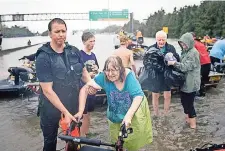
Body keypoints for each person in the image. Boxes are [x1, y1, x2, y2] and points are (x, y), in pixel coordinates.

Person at [35, 18, 93, 151]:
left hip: (72, 105)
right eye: (57, 31)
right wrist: (64, 112)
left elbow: (84, 73)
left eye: (63, 31)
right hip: (50, 108)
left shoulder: (74, 51)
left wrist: (92, 85)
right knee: (50, 143)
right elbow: (47, 90)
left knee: (74, 142)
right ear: (50, 33)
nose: (61, 34)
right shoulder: (43, 57)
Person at [75, 56, 153, 151]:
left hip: (133, 109)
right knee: (118, 142)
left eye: (114, 70)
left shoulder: (129, 77)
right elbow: (84, 89)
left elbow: (138, 96)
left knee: (134, 139)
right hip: (115, 110)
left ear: (121, 69)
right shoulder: (104, 76)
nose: (110, 74)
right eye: (107, 70)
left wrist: (128, 116)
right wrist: (80, 111)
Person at [168, 32, 201, 129]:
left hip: (191, 83)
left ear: (190, 42)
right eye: (181, 44)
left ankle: (193, 127)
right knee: (183, 102)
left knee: (189, 105)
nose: (183, 46)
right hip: (184, 82)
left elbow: (185, 67)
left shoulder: (194, 53)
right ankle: (187, 121)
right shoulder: (184, 52)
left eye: (184, 44)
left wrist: (174, 63)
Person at [144, 30, 180, 116]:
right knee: (155, 95)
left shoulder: (171, 48)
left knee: (167, 95)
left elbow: (177, 59)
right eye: (159, 40)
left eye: (163, 40)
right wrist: (150, 70)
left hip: (167, 74)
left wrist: (173, 60)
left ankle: (165, 114)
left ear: (166, 39)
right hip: (155, 75)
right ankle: (156, 114)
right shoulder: (151, 48)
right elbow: (146, 61)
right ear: (156, 39)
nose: (161, 42)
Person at [79, 31, 99, 136]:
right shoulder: (79, 55)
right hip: (83, 89)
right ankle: (81, 137)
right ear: (84, 41)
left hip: (92, 89)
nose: (93, 43)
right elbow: (77, 74)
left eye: (94, 41)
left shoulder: (93, 55)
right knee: (83, 114)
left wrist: (96, 72)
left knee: (89, 114)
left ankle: (86, 134)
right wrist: (89, 74)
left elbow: (97, 69)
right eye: (90, 41)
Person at [191, 32, 211, 97]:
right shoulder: (200, 42)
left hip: (202, 63)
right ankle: (202, 94)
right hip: (208, 63)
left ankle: (199, 96)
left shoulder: (193, 43)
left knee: (198, 80)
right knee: (202, 81)